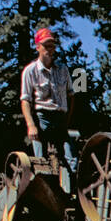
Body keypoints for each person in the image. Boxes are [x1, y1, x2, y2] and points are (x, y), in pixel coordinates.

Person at [20, 27, 76, 167]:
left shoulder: (63, 69)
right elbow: (25, 100)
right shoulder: (30, 71)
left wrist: (67, 119)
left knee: (71, 160)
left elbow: (71, 95)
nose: (49, 49)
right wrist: (31, 125)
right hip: (42, 119)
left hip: (61, 119)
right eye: (46, 46)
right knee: (42, 163)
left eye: (52, 46)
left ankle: (73, 188)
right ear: (38, 47)